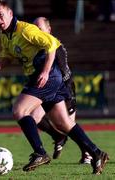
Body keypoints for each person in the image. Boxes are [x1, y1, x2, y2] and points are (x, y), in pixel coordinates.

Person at [0, 0, 109, 174]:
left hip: (47, 76)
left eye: (1, 14)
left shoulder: (26, 30)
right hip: (43, 77)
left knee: (20, 110)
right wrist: (3, 60)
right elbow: (9, 52)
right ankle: (96, 153)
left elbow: (52, 45)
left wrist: (45, 72)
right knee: (63, 123)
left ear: (10, 14)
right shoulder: (4, 35)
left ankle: (40, 152)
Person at [33, 17, 92, 164]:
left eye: (39, 28)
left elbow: (64, 73)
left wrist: (67, 96)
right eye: (34, 28)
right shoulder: (36, 47)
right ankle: (58, 137)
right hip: (48, 89)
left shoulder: (55, 46)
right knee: (33, 116)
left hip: (64, 90)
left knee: (69, 127)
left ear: (49, 30)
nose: (36, 31)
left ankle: (89, 154)